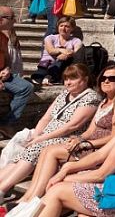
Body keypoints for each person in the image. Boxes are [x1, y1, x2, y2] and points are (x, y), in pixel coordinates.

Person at [36, 82, 115, 217]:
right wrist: (68, 168)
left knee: (57, 191)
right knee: (62, 193)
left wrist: (65, 178)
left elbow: (102, 174)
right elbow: (100, 155)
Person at [16, 65, 115, 204]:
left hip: (101, 150)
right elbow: (90, 131)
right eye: (103, 78)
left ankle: (33, 199)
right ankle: (28, 196)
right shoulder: (104, 102)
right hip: (88, 145)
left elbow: (114, 138)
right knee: (46, 150)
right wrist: (80, 138)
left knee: (52, 152)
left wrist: (85, 143)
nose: (106, 81)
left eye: (112, 78)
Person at [0, 63, 100, 201]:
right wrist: (36, 135)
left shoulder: (91, 97)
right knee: (26, 148)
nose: (68, 83)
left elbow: (71, 126)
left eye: (73, 78)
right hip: (47, 135)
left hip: (66, 138)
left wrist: (41, 139)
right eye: (66, 79)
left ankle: (3, 189)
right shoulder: (64, 94)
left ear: (85, 79)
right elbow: (46, 118)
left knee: (36, 148)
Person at [0, 6, 34, 130]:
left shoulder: (4, 37)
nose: (15, 21)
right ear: (1, 20)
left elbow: (7, 58)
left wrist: (7, 68)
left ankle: (7, 124)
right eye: (11, 18)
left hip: (4, 74)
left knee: (26, 87)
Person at [31, 16, 83, 85]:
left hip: (63, 65)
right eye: (61, 26)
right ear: (58, 27)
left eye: (67, 26)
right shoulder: (50, 38)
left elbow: (77, 54)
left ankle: (50, 77)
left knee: (62, 61)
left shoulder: (76, 40)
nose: (63, 29)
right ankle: (45, 77)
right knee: (39, 74)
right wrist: (62, 50)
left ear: (72, 28)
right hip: (46, 64)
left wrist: (65, 54)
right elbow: (51, 51)